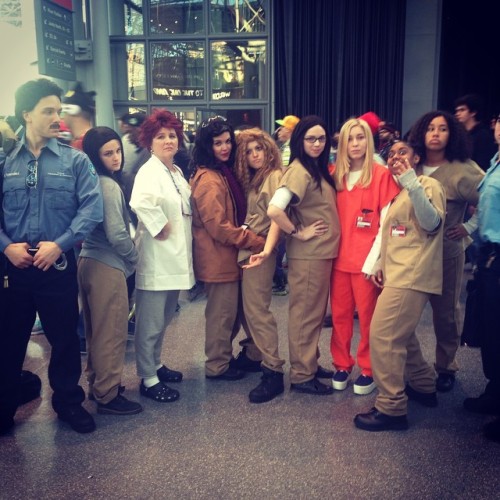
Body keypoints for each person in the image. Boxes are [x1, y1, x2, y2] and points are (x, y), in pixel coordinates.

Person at [0, 78, 103, 435]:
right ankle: (4, 408)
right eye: (48, 111)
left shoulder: (75, 162)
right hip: (15, 267)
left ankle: (68, 404)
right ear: (26, 114)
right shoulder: (4, 164)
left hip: (57, 265)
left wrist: (59, 244)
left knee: (63, 340)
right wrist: (6, 246)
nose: (57, 117)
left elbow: (92, 209)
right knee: (9, 341)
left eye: (59, 111)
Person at [354, 139, 446, 431]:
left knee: (384, 337)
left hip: (413, 275)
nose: (395, 157)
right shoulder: (399, 193)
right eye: (391, 153)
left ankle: (391, 407)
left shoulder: (425, 185)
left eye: (402, 152)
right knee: (402, 336)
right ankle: (422, 384)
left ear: (416, 157)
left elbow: (431, 224)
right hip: (398, 275)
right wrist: (379, 264)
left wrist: (411, 181)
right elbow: (394, 235)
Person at [408, 111, 484, 392]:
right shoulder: (411, 164)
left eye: (442, 128)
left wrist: (469, 226)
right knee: (403, 314)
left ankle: (445, 366)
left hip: (446, 254)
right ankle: (412, 366)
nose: (436, 133)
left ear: (452, 134)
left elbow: (491, 198)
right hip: (411, 254)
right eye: (430, 128)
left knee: (445, 315)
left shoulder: (462, 169)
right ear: (421, 134)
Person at [267, 115, 341, 395]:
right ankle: (301, 375)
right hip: (309, 254)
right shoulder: (299, 170)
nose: (317, 143)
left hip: (320, 255)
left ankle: (308, 362)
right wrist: (298, 232)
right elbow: (275, 209)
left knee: (312, 313)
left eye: (321, 138)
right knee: (306, 315)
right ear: (299, 140)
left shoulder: (315, 169)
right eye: (311, 138)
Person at [190, 116, 265, 381]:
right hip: (217, 259)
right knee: (221, 316)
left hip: (224, 258)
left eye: (227, 142)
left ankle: (224, 359)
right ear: (206, 146)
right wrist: (253, 240)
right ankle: (217, 366)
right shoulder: (210, 179)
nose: (225, 148)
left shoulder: (221, 173)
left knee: (229, 315)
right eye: (217, 143)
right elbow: (219, 227)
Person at [330, 118, 399, 395]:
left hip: (366, 262)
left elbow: (387, 222)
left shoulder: (381, 175)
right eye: (350, 139)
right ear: (343, 143)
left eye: (360, 138)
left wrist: (376, 260)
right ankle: (341, 363)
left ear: (368, 141)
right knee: (340, 316)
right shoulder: (334, 174)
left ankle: (368, 368)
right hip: (338, 260)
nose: (355, 144)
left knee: (369, 318)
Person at [129, 109, 194, 403]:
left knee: (165, 317)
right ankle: (148, 378)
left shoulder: (176, 172)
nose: (168, 140)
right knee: (150, 322)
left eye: (171, 135)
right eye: (161, 136)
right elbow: (140, 202)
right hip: (157, 259)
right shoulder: (149, 171)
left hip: (175, 258)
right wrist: (160, 226)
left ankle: (155, 364)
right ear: (149, 142)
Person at [79, 126, 142, 416]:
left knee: (96, 330)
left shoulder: (89, 180)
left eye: (118, 151)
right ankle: (107, 394)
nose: (116, 158)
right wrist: (134, 258)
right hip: (107, 265)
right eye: (108, 153)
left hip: (88, 261)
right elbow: (117, 235)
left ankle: (98, 385)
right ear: (95, 155)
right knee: (112, 332)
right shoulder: (107, 185)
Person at [233, 128, 285, 402]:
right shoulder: (255, 178)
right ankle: (255, 354)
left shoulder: (275, 176)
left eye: (259, 149)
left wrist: (266, 250)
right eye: (249, 151)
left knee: (257, 310)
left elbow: (278, 216)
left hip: (260, 250)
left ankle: (273, 370)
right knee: (247, 309)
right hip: (249, 247)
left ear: (268, 149)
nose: (255, 155)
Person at [463, 113, 500, 443]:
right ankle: (495, 391)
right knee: (492, 330)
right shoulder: (494, 162)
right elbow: (485, 211)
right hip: (489, 256)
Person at [454, 94, 496, 172]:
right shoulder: (460, 135)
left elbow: (483, 165)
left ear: (473, 112)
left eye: (462, 110)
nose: (457, 113)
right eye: (457, 111)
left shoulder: (483, 136)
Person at [61, 82, 96, 151]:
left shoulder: (84, 143)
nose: (61, 117)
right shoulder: (91, 139)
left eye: (62, 112)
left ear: (73, 111)